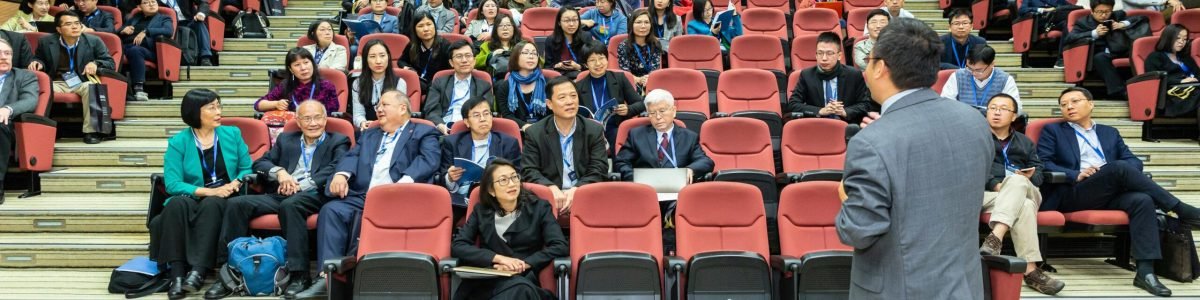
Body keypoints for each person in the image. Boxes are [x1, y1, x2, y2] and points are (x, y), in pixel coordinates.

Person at [835, 18, 991, 299]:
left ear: (880, 67)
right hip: (964, 287)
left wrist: (845, 193)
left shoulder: (870, 142)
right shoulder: (974, 121)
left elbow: (859, 231)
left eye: (869, 61)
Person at [1039, 87, 1200, 296]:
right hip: (1074, 191)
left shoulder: (1109, 132)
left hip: (1110, 191)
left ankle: (1145, 271)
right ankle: (1182, 209)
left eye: (1075, 101)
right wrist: (1076, 173)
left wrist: (1116, 174)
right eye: (1063, 104)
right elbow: (1043, 162)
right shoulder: (1054, 131)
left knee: (1141, 199)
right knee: (1118, 168)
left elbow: (1133, 161)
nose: (1069, 107)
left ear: (1091, 104)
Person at [297, 90, 441, 298]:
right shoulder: (370, 134)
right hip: (363, 196)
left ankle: (360, 280)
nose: (378, 109)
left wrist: (404, 183)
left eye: (384, 105)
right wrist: (341, 174)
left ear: (403, 108)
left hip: (399, 198)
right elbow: (352, 156)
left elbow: (429, 160)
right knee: (331, 210)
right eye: (378, 106)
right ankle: (327, 279)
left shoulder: (423, 132)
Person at [210, 101, 351, 299]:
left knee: (291, 205)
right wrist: (281, 173)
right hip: (282, 192)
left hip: (315, 195)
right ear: (298, 122)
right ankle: (227, 272)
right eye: (307, 118)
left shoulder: (338, 140)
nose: (313, 123)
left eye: (318, 117)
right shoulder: (286, 139)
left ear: (325, 119)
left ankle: (299, 275)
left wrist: (301, 185)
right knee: (236, 204)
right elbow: (261, 163)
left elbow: (335, 168)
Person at [151, 89, 253, 300]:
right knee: (175, 205)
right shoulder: (178, 142)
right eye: (211, 107)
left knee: (213, 203)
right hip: (192, 195)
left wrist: (234, 183)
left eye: (219, 105)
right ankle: (177, 275)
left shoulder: (232, 134)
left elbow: (247, 168)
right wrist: (208, 190)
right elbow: (172, 183)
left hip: (224, 196)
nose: (219, 111)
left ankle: (198, 271)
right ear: (194, 112)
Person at [976, 94, 1065, 295]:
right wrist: (996, 184)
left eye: (1003, 108)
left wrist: (1031, 177)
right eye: (992, 108)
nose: (996, 112)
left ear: (1014, 116)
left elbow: (1040, 171)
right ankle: (1031, 270)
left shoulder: (1025, 142)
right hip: (989, 194)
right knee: (1023, 206)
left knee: (1018, 181)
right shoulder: (976, 138)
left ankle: (995, 238)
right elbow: (971, 166)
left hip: (1026, 189)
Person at [451, 158, 567, 300]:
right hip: (487, 281)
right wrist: (498, 258)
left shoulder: (539, 208)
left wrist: (525, 264)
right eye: (503, 180)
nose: (512, 184)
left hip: (521, 280)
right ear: (491, 190)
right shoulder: (481, 211)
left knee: (520, 291)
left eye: (514, 177)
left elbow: (559, 245)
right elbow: (459, 245)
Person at [520, 76, 608, 216]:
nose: (570, 102)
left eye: (573, 96)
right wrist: (550, 188)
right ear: (549, 103)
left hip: (586, 194)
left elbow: (599, 168)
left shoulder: (594, 130)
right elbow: (529, 170)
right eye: (562, 97)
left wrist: (578, 189)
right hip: (548, 198)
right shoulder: (535, 132)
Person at [30, 11, 117, 144]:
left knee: (92, 88)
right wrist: (38, 63)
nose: (75, 27)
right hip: (57, 82)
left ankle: (93, 132)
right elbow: (39, 58)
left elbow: (110, 63)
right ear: (59, 29)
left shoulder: (93, 41)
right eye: (69, 24)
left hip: (82, 81)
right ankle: (38, 129)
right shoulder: (46, 41)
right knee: (36, 88)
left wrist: (95, 63)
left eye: (77, 23)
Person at [440, 97, 522, 220]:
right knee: (444, 217)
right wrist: (450, 178)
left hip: (497, 198)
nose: (483, 119)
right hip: (460, 200)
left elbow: (519, 175)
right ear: (467, 122)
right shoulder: (452, 142)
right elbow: (440, 176)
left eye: (486, 114)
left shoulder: (508, 143)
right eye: (476, 115)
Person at [613, 89, 712, 181]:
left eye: (662, 111)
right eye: (652, 113)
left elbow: (705, 161)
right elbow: (621, 162)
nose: (658, 117)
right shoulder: (636, 135)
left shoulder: (689, 137)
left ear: (673, 111)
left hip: (677, 190)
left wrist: (691, 170)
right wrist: (637, 178)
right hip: (645, 189)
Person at [786, 32, 876, 123]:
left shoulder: (853, 75)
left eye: (829, 53)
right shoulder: (807, 75)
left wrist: (845, 111)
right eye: (820, 53)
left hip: (847, 126)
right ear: (816, 55)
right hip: (818, 124)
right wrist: (820, 111)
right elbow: (793, 104)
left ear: (839, 55)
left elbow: (866, 104)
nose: (824, 58)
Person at [1064, 0, 1142, 99]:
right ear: (1092, 11)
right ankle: (1120, 92)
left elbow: (1142, 18)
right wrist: (1094, 33)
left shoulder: (1117, 16)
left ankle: (1142, 88)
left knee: (1141, 54)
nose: (1104, 15)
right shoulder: (1083, 22)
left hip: (1120, 50)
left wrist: (1123, 24)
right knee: (1100, 57)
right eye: (1100, 12)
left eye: (1107, 11)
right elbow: (1069, 38)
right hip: (1098, 54)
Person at [576, 44, 642, 147]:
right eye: (592, 60)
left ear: (607, 59)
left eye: (601, 58)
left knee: (618, 137)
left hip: (614, 128)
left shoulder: (620, 78)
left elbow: (641, 103)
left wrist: (628, 109)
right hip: (589, 130)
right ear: (585, 64)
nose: (598, 64)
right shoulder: (578, 86)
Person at [0, 40, 40, 205]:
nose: (3, 57)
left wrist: (7, 109)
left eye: (7, 53)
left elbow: (30, 100)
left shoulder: (24, 76)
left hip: (9, 128)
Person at [426, 40, 494, 133]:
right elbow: (431, 110)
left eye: (468, 56)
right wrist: (440, 125)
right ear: (451, 63)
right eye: (459, 56)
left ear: (474, 61)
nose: (464, 60)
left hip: (471, 129)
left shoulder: (484, 86)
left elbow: (484, 113)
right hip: (444, 128)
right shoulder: (439, 82)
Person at [255, 48, 340, 116]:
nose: (303, 68)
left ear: (313, 64)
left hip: (317, 126)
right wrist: (276, 104)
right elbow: (258, 105)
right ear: (291, 69)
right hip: (291, 129)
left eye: (306, 62)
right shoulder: (285, 86)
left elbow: (333, 111)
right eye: (297, 65)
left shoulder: (326, 86)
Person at [1144, 24, 1199, 126]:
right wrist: (1180, 81)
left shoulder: (1186, 58)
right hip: (1171, 97)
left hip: (1192, 91)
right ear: (1168, 38)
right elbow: (1154, 79)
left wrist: (1194, 79)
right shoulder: (1155, 57)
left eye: (1185, 39)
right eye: (1178, 38)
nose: (1181, 42)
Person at [120, 0, 173, 102]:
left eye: (153, 2)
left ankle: (139, 88)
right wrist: (123, 30)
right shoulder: (135, 18)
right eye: (146, 2)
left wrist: (146, 31)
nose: (151, 4)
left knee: (135, 50)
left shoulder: (164, 18)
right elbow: (118, 30)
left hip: (149, 50)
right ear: (139, 7)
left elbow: (168, 31)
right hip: (126, 46)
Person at [941, 45, 1022, 111]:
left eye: (978, 70)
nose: (973, 73)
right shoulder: (957, 76)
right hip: (963, 122)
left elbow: (1016, 109)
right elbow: (945, 103)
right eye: (969, 68)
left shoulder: (1005, 79)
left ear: (992, 64)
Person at [351, 40, 408, 130]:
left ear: (388, 57)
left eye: (382, 56)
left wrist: (378, 124)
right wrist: (363, 123)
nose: (378, 61)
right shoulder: (357, 83)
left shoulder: (399, 82)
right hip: (368, 130)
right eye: (372, 57)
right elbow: (358, 114)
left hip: (392, 129)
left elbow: (399, 114)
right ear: (366, 59)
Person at [495, 41, 551, 130]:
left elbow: (554, 112)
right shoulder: (505, 86)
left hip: (546, 131)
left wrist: (538, 128)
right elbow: (507, 115)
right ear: (515, 57)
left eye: (534, 53)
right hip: (518, 131)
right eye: (526, 53)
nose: (531, 56)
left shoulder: (549, 84)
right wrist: (524, 126)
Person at [1018, 0, 1082, 68]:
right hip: (1041, 25)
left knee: (1067, 24)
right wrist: (1043, 10)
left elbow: (1071, 7)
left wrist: (1057, 9)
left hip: (1055, 22)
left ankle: (1061, 59)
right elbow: (1022, 10)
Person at [401, 12, 451, 92]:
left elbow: (449, 71)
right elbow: (401, 61)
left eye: (429, 24)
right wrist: (407, 67)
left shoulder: (445, 46)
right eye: (420, 26)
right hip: (417, 83)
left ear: (434, 26)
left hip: (437, 86)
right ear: (414, 30)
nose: (426, 29)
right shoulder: (412, 45)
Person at [158, 0, 216, 66]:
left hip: (188, 21)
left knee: (199, 23)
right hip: (169, 25)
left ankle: (205, 58)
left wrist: (201, 13)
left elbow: (203, 3)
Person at [544, 8, 593, 79]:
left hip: (581, 77)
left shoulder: (586, 37)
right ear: (559, 22)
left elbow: (592, 62)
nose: (571, 24)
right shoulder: (550, 40)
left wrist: (578, 66)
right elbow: (547, 68)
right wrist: (556, 66)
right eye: (567, 20)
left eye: (575, 20)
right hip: (559, 78)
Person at [617, 9, 661, 88]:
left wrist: (648, 79)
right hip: (630, 82)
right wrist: (638, 80)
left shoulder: (656, 44)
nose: (643, 26)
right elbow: (625, 71)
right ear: (631, 25)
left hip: (651, 81)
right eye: (639, 22)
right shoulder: (623, 46)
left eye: (646, 22)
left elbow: (655, 68)